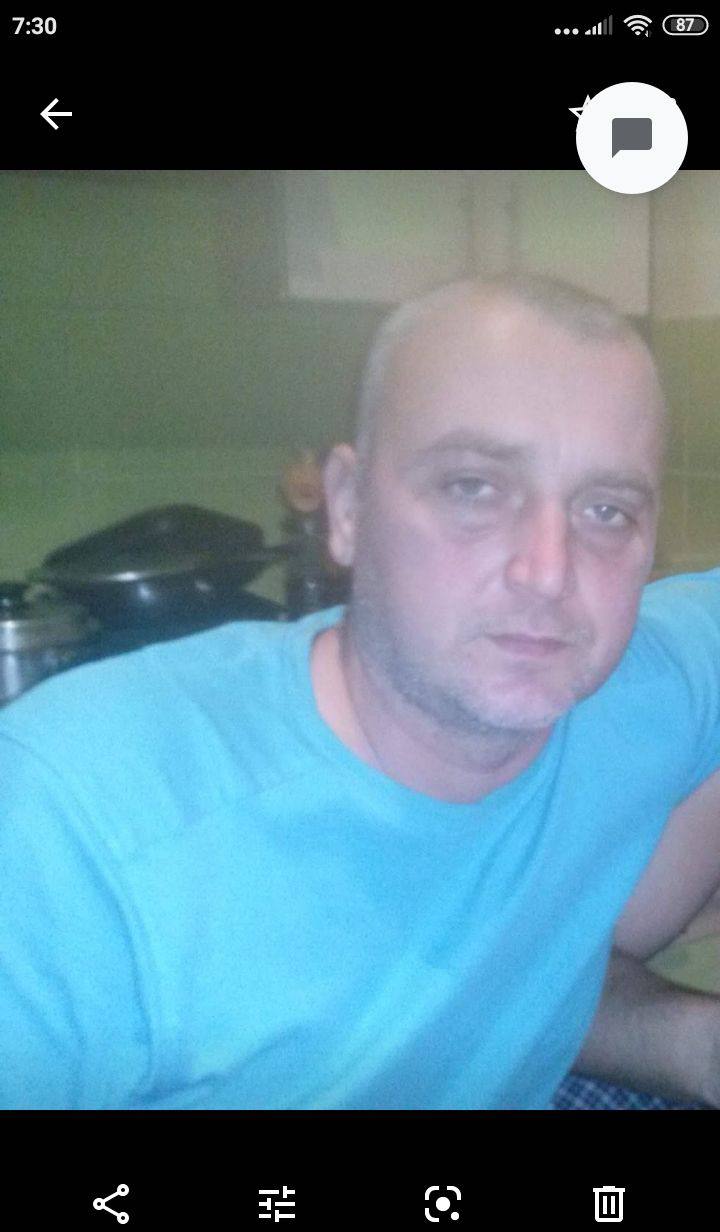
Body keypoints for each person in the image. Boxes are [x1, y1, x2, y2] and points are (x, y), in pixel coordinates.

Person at [2, 274, 720, 1110]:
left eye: (606, 511)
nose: (548, 573)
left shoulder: (640, 692)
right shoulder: (74, 821)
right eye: (474, 488)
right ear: (346, 508)